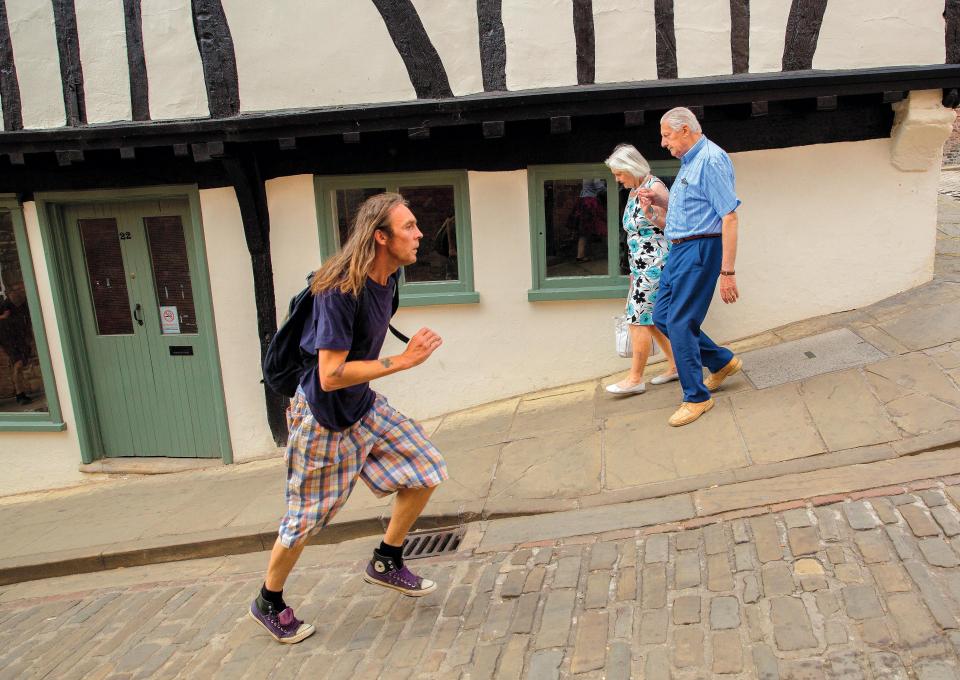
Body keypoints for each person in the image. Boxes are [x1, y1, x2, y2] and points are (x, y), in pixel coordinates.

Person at [250, 192, 449, 644]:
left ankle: (387, 559)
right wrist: (403, 361)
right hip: (322, 417)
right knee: (306, 519)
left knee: (426, 469)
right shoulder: (340, 290)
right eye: (409, 227)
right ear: (381, 237)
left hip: (363, 406)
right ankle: (269, 600)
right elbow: (331, 373)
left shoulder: (389, 279)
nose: (420, 234)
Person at [648, 107, 742, 427]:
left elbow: (729, 216)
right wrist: (660, 205)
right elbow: (692, 211)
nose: (663, 143)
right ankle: (721, 362)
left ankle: (697, 398)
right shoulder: (690, 162)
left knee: (679, 322)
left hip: (700, 249)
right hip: (679, 250)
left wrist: (727, 272)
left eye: (666, 135)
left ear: (685, 130)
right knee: (662, 315)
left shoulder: (711, 160)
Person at [603, 144, 677, 395]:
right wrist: (634, 271)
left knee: (638, 321)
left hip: (655, 265)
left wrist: (650, 212)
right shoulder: (635, 191)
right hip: (641, 266)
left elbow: (673, 223)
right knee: (652, 320)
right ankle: (676, 365)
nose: (616, 179)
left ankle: (635, 379)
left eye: (619, 173)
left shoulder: (654, 188)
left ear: (631, 168)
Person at [0, 294, 33, 405]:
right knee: (18, 365)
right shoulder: (6, 304)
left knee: (19, 364)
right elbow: (5, 315)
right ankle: (19, 394)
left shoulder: (13, 302)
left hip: (17, 336)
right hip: (7, 338)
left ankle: (20, 393)